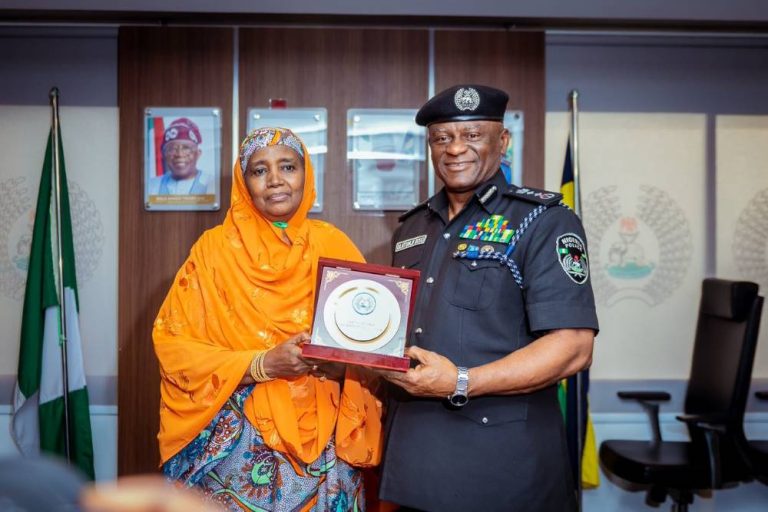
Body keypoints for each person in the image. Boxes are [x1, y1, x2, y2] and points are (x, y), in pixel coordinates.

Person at [377, 85, 599, 511]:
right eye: (442, 138)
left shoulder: (543, 222)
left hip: (504, 466)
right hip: (414, 459)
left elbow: (573, 347)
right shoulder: (411, 229)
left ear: (503, 140)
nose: (455, 149)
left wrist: (461, 381)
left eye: (473, 135)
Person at [153, 127, 383, 511]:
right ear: (244, 184)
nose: (275, 180)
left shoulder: (334, 244)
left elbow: (372, 344)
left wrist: (339, 364)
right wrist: (263, 364)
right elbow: (174, 347)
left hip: (327, 433)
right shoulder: (213, 251)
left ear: (305, 174)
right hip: (239, 436)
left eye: (288, 166)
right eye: (259, 170)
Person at [148, 117, 214, 195]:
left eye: (186, 148)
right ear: (164, 154)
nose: (179, 154)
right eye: (172, 149)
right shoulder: (151, 186)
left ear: (198, 154)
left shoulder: (213, 183)